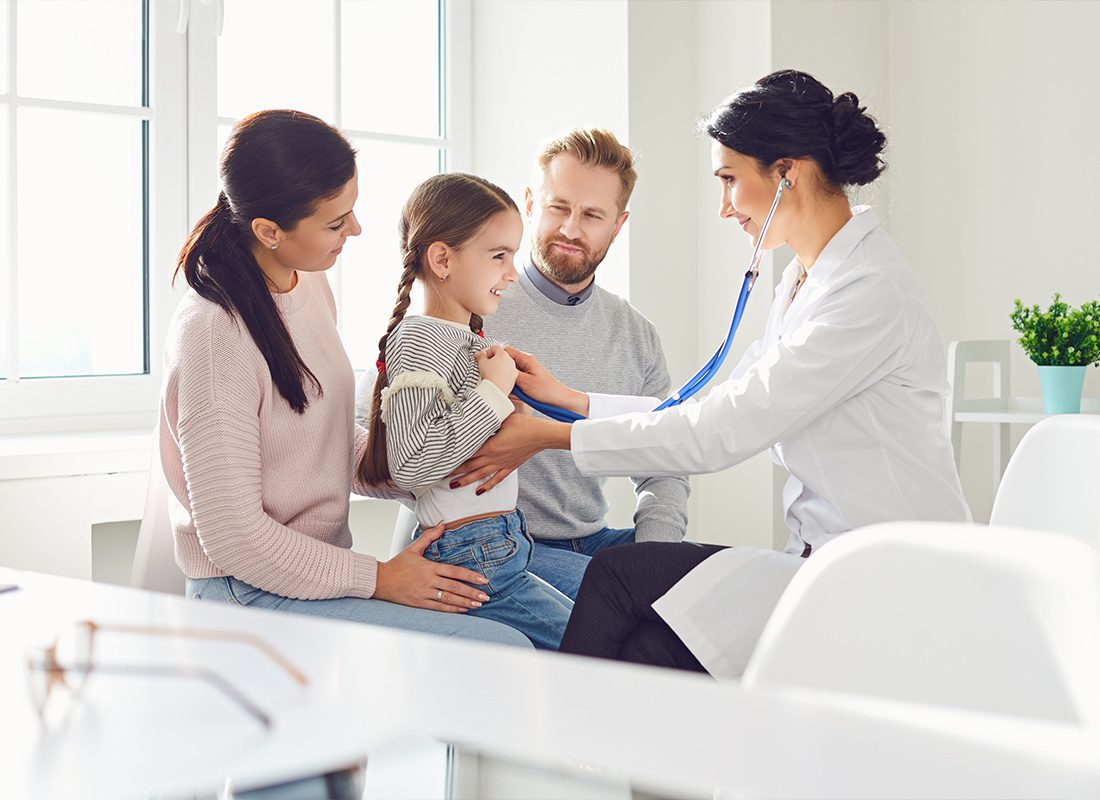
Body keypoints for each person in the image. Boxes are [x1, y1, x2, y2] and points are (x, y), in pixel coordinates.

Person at [452, 71, 972, 677]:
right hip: (823, 560)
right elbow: (716, 403)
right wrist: (573, 400)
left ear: (786, 174)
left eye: (730, 180)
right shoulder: (807, 280)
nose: (724, 207)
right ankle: (609, 756)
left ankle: (579, 750)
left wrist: (553, 432)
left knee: (625, 581)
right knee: (647, 641)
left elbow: (724, 428)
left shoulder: (868, 294)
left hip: (890, 572)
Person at [162, 109, 530, 649]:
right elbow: (234, 538)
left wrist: (442, 459)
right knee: (504, 649)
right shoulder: (215, 337)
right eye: (336, 223)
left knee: (533, 625)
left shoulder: (305, 286)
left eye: (351, 211)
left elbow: (322, 439)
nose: (355, 230)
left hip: (311, 576)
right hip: (247, 593)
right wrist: (378, 578)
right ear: (268, 231)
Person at [359, 173, 573, 650]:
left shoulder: (467, 342)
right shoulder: (419, 339)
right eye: (499, 256)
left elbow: (466, 440)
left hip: (502, 544)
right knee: (593, 647)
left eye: (513, 256)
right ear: (442, 259)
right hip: (473, 553)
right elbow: (412, 463)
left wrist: (509, 407)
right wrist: (493, 394)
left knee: (592, 639)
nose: (513, 273)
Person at [485, 128, 691, 600]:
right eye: (559, 207)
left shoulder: (636, 334)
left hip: (596, 540)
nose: (572, 229)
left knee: (719, 582)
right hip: (507, 546)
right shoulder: (475, 306)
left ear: (618, 225)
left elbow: (665, 462)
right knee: (629, 614)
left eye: (592, 215)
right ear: (531, 204)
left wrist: (651, 558)